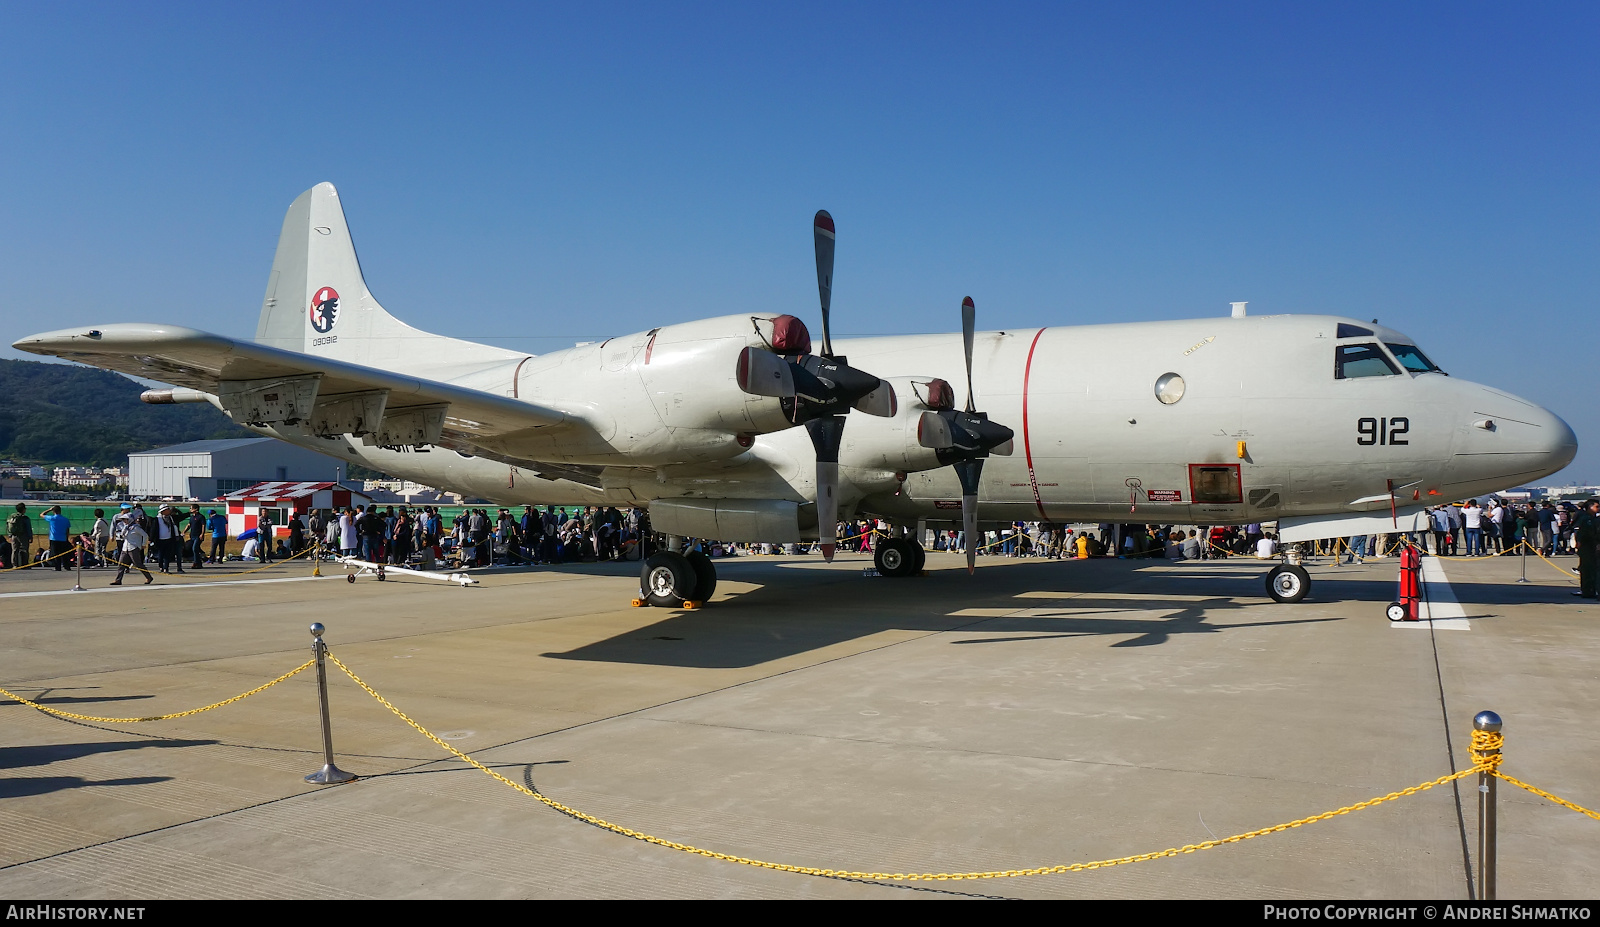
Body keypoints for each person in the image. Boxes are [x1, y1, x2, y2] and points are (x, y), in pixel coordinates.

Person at [110, 514, 154, 585]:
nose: (124, 521)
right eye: (123, 519)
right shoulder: (125, 527)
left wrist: (143, 544)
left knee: (138, 564)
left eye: (125, 519)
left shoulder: (136, 527)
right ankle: (118, 580)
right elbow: (123, 536)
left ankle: (148, 577)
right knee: (121, 564)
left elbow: (145, 535)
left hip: (133, 548)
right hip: (125, 548)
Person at [1574, 499, 1599, 599]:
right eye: (1596, 507)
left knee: (1591, 569)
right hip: (1588, 547)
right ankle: (1587, 590)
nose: (1598, 509)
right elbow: (1586, 533)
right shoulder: (1587, 519)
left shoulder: (1591, 518)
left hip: (1590, 546)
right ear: (1590, 507)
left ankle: (1589, 590)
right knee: (1588, 569)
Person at [42, 505, 73, 571]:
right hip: (63, 538)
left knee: (55, 554)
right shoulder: (65, 519)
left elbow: (42, 514)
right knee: (64, 553)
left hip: (54, 538)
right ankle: (66, 566)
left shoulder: (52, 518)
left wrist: (49, 509)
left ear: (54, 511)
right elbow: (67, 530)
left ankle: (57, 567)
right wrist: (66, 537)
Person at [7, 503, 34, 571]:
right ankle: (25, 564)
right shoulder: (25, 518)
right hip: (23, 535)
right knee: (25, 549)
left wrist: (9, 535)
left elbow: (8, 526)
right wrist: (30, 537)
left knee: (14, 550)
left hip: (14, 535)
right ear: (23, 509)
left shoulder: (12, 516)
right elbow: (28, 528)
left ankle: (14, 564)